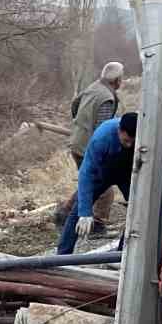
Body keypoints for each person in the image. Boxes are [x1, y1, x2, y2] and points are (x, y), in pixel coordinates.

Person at [56, 62, 124, 230]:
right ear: (116, 80)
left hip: (77, 142)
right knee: (105, 187)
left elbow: (74, 105)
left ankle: (64, 212)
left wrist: (80, 126)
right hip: (87, 147)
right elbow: (103, 128)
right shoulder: (106, 98)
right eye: (120, 79)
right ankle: (97, 224)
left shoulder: (93, 87)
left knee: (89, 182)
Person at [58, 112, 137, 255]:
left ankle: (121, 254)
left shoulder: (142, 135)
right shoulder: (102, 137)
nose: (129, 145)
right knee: (78, 211)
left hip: (127, 173)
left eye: (132, 142)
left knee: (137, 211)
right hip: (103, 171)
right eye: (126, 141)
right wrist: (85, 213)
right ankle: (62, 255)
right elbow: (86, 173)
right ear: (119, 130)